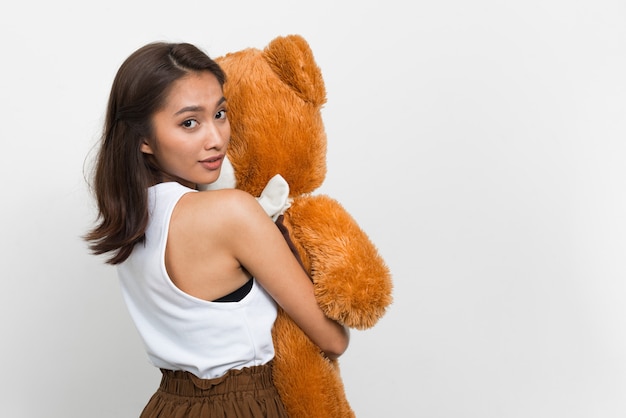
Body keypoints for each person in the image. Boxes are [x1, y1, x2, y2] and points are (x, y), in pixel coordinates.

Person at [84, 41, 349, 418]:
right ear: (143, 138)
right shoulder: (231, 212)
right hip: (246, 405)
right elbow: (333, 339)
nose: (216, 138)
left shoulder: (130, 219)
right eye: (189, 122)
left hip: (168, 406)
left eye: (220, 113)